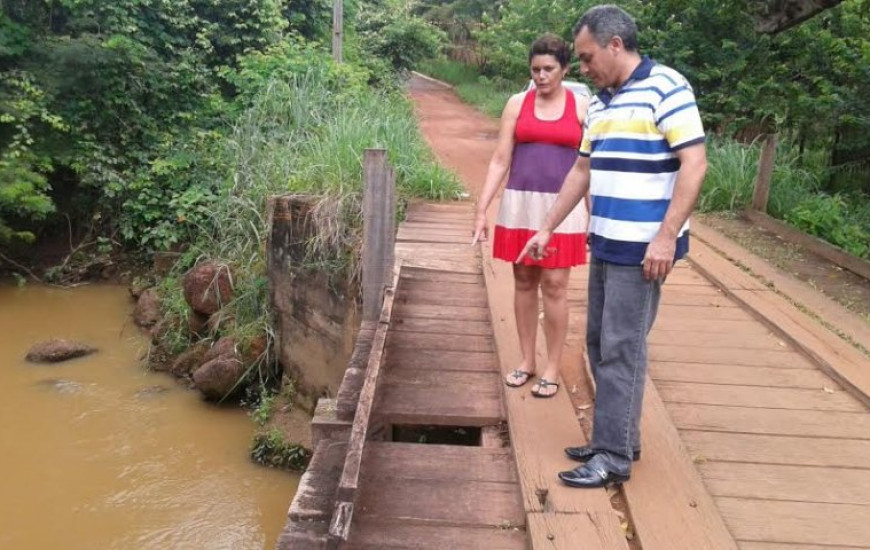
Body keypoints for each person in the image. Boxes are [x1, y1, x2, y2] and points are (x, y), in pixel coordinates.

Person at [518, 5, 708, 488]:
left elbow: (694, 163)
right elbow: (581, 171)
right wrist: (546, 227)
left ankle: (613, 456)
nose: (583, 69)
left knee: (622, 348)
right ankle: (618, 435)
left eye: (586, 58)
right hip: (604, 239)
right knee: (600, 343)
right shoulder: (602, 102)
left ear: (615, 45)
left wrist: (666, 236)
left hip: (644, 248)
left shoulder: (667, 87)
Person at [472, 34, 589, 398]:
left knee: (555, 284)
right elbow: (500, 159)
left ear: (564, 69)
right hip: (520, 204)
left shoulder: (583, 106)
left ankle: (552, 367)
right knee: (523, 280)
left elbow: (591, 168)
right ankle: (526, 360)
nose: (541, 76)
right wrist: (482, 209)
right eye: (535, 69)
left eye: (549, 69)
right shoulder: (516, 104)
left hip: (562, 209)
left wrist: (594, 216)